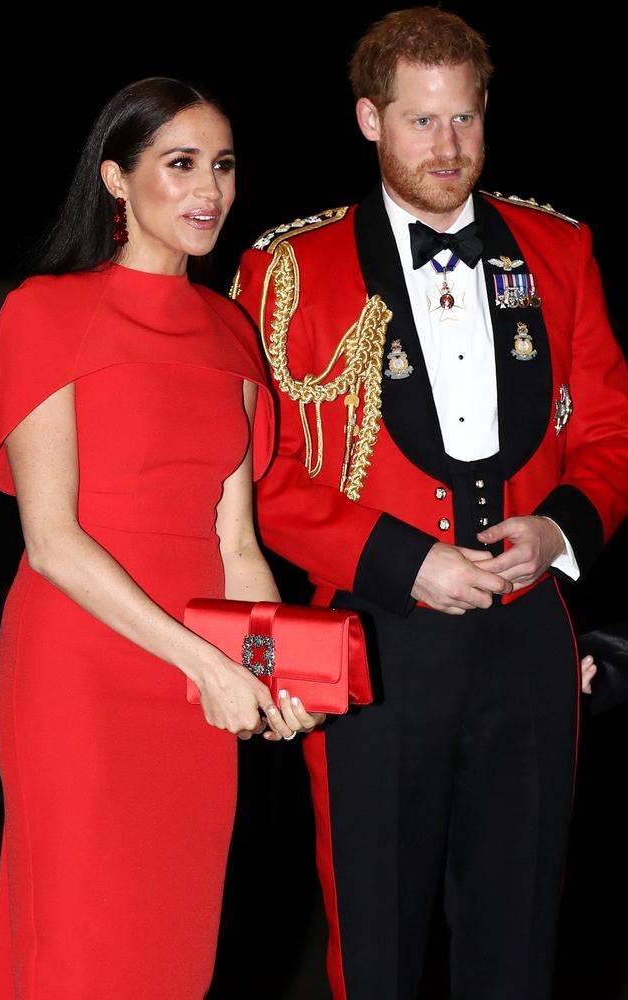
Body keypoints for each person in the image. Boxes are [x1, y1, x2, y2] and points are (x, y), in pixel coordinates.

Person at [234, 9, 628, 1000]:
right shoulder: (286, 270)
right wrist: (404, 560)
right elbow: (258, 475)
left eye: (464, 120)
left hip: (529, 640)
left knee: (517, 938)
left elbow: (607, 439)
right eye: (420, 122)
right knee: (375, 941)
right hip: (372, 642)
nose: (446, 148)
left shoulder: (558, 248)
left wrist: (556, 532)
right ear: (368, 119)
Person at [0, 77, 323, 1000]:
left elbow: (238, 542)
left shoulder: (230, 331)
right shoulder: (44, 312)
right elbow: (52, 542)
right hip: (81, 669)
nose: (208, 188)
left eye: (221, 165)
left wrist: (273, 665)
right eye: (179, 165)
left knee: (174, 946)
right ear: (116, 181)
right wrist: (211, 664)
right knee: (87, 937)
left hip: (197, 677)